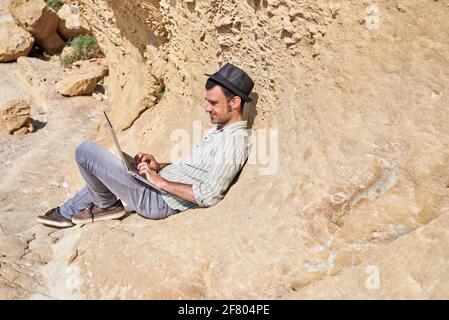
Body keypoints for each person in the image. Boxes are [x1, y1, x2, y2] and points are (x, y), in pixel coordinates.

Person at [37, 63, 254, 228]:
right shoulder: (220, 130)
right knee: (109, 167)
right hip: (157, 187)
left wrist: (161, 182)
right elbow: (196, 167)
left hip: (159, 200)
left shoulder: (235, 142)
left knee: (85, 151)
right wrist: (158, 166)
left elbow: (210, 194)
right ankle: (71, 211)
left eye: (213, 103)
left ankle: (102, 207)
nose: (207, 109)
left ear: (234, 102)